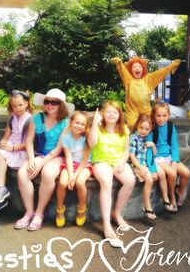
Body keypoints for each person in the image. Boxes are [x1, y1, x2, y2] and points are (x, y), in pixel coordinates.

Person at [15, 88, 75, 231]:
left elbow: (60, 148)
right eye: (47, 101)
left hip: (57, 156)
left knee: (47, 174)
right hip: (39, 153)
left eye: (54, 102)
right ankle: (29, 212)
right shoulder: (36, 119)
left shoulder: (66, 123)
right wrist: (31, 159)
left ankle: (39, 213)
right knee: (23, 174)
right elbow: (29, 141)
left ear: (61, 105)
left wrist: (41, 163)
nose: (50, 105)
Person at [88, 101, 135, 248]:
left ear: (119, 115)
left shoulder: (124, 130)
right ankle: (107, 225)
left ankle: (117, 213)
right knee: (106, 182)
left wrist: (122, 162)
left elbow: (126, 150)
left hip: (117, 162)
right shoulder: (98, 128)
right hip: (100, 161)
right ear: (103, 113)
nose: (111, 114)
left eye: (115, 112)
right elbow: (91, 143)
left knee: (130, 180)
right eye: (108, 111)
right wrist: (95, 123)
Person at [0, 90, 33, 216]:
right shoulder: (12, 117)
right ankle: (1, 189)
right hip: (11, 146)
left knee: (3, 154)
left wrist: (12, 149)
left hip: (22, 149)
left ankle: (1, 196)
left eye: (20, 105)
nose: (17, 108)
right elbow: (7, 134)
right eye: (14, 106)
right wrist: (3, 141)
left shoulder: (30, 120)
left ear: (27, 104)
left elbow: (29, 142)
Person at [111, 56, 181, 130]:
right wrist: (119, 63)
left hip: (146, 109)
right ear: (130, 70)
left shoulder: (148, 79)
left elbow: (160, 73)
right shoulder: (128, 80)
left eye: (139, 67)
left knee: (151, 123)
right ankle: (132, 140)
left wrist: (172, 65)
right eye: (134, 67)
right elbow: (122, 71)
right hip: (132, 110)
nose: (137, 68)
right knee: (131, 124)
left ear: (143, 69)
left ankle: (149, 139)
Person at [129, 115, 173, 221]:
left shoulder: (148, 138)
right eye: (141, 128)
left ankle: (162, 200)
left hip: (147, 165)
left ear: (150, 129)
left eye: (147, 129)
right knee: (149, 179)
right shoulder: (133, 138)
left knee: (159, 174)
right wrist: (140, 168)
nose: (144, 131)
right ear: (137, 127)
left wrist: (153, 145)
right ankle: (147, 207)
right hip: (137, 166)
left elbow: (154, 154)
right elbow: (132, 156)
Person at [151, 99, 190, 212]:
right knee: (172, 174)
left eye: (164, 115)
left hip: (169, 156)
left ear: (168, 115)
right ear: (154, 115)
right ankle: (172, 197)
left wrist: (174, 160)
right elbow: (150, 148)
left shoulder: (170, 126)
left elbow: (174, 145)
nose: (161, 118)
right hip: (158, 158)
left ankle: (180, 192)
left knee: (187, 173)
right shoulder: (152, 128)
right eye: (158, 115)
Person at [56, 111, 92, 227]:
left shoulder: (87, 138)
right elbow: (68, 157)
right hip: (71, 164)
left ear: (86, 126)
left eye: (82, 124)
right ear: (71, 122)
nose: (79, 126)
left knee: (80, 182)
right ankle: (60, 210)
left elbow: (84, 160)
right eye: (77, 122)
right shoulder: (66, 137)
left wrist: (74, 176)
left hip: (85, 164)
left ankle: (81, 210)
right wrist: (70, 174)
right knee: (62, 183)